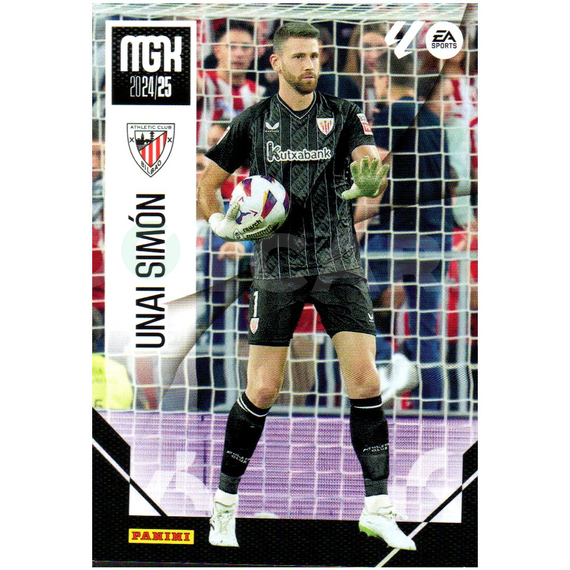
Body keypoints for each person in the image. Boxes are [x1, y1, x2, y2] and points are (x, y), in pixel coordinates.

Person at [198, 22, 415, 551]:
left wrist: (369, 180)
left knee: (364, 382)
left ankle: (378, 509)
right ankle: (223, 507)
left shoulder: (343, 113)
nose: (310, 64)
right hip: (278, 265)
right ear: (276, 63)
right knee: (262, 390)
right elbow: (208, 181)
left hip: (339, 262)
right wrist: (219, 223)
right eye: (299, 57)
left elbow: (368, 160)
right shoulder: (253, 121)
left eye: (315, 56)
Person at [356, 53, 455, 412]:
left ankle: (391, 359)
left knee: (348, 303)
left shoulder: (390, 115)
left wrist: (355, 222)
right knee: (427, 332)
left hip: (398, 233)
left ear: (381, 78)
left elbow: (377, 177)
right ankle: (437, 415)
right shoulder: (433, 121)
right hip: (436, 234)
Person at [197, 21, 265, 147]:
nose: (239, 54)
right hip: (201, 158)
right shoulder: (204, 81)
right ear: (217, 50)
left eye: (245, 47)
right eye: (231, 47)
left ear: (253, 52)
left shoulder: (258, 93)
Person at [342, 23, 389, 122]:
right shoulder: (344, 84)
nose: (374, 55)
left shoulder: (398, 85)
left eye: (380, 48)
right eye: (366, 47)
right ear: (356, 49)